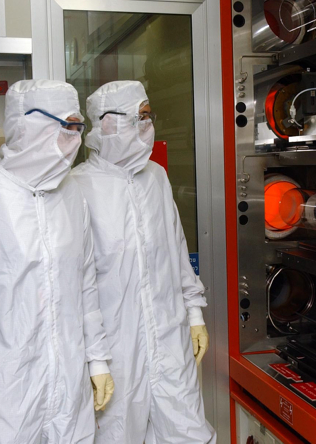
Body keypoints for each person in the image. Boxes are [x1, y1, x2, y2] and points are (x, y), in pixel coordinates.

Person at [0, 80, 114, 444]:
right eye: (65, 127)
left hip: (70, 386)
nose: (73, 139)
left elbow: (85, 286)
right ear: (28, 124)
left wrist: (97, 361)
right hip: (4, 392)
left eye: (77, 128)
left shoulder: (72, 196)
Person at [70, 80, 216, 443]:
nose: (147, 128)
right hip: (117, 348)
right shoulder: (76, 188)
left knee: (188, 432)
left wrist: (194, 313)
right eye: (139, 118)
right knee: (120, 434)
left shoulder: (156, 177)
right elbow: (77, 286)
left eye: (148, 118)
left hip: (169, 336)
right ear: (106, 125)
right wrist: (94, 359)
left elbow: (175, 246)